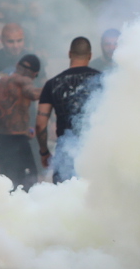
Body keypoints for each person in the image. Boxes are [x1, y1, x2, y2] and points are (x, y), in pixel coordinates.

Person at [38, 37, 102, 183]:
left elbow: (40, 124)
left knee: (64, 201)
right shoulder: (102, 80)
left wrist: (44, 152)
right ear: (90, 56)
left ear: (69, 54)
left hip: (65, 155)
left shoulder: (52, 84)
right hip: (96, 154)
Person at [0, 54, 43, 190]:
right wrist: (53, 88)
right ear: (34, 74)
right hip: (18, 143)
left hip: (1, 141)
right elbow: (32, 93)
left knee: (7, 185)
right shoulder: (24, 80)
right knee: (27, 183)